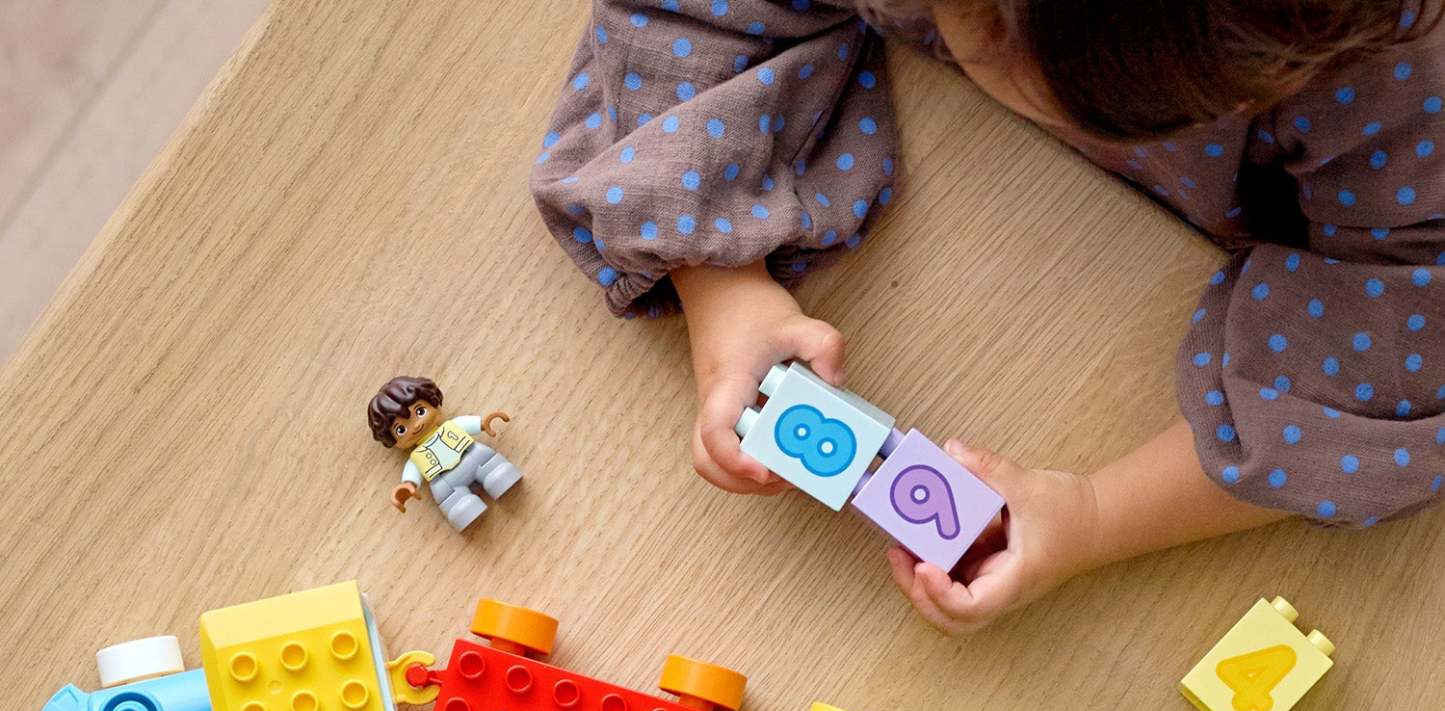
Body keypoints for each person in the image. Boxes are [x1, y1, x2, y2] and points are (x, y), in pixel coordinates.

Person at [532, 2, 1443, 632]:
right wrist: (722, 284)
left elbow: (1402, 346)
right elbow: (683, 23)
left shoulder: (1405, 84)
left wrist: (1092, 517)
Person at [367, 376, 521, 533]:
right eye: (401, 429)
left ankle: (499, 476)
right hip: (447, 484)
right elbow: (412, 473)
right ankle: (461, 508)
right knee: (454, 503)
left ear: (433, 402)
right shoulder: (415, 458)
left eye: (420, 411)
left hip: (473, 457)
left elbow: (465, 424)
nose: (416, 425)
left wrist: (482, 423)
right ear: (395, 441)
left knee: (491, 465)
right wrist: (408, 485)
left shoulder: (451, 426)